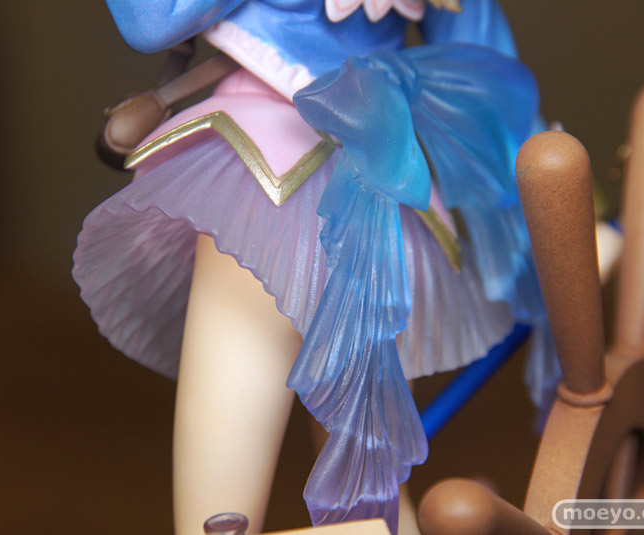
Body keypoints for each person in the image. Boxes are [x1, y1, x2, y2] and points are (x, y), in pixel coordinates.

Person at [73, 0, 558, 532]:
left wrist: (553, 219)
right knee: (225, 509)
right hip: (276, 157)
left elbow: (489, 73)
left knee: (365, 485)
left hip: (372, 169)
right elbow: (153, 21)